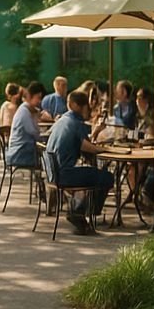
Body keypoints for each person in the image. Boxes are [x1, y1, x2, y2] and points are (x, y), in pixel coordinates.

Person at [43, 90, 113, 235]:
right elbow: (85, 146)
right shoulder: (75, 121)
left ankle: (79, 212)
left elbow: (82, 142)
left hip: (52, 173)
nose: (88, 109)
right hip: (65, 174)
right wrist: (102, 150)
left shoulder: (62, 120)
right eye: (86, 106)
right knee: (106, 177)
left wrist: (95, 139)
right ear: (78, 106)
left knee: (91, 172)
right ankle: (82, 213)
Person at [5, 82, 45, 169]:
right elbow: (34, 133)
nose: (39, 101)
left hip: (20, 150)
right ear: (30, 97)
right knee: (47, 153)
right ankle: (47, 177)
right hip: (19, 153)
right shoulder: (24, 112)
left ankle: (40, 179)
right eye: (38, 98)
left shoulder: (27, 110)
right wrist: (46, 137)